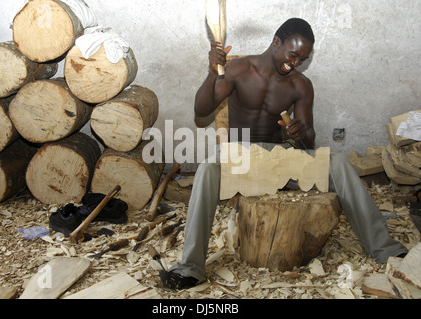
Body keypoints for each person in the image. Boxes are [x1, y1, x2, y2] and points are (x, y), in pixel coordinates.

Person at [159, 18, 408, 290]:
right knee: (207, 169)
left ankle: (385, 249)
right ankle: (191, 268)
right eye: (293, 54)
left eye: (303, 58)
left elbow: (308, 141)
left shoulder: (301, 85)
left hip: (279, 157)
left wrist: (300, 135)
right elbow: (202, 110)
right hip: (241, 155)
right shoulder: (239, 69)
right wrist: (211, 72)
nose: (296, 63)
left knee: (337, 163)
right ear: (276, 42)